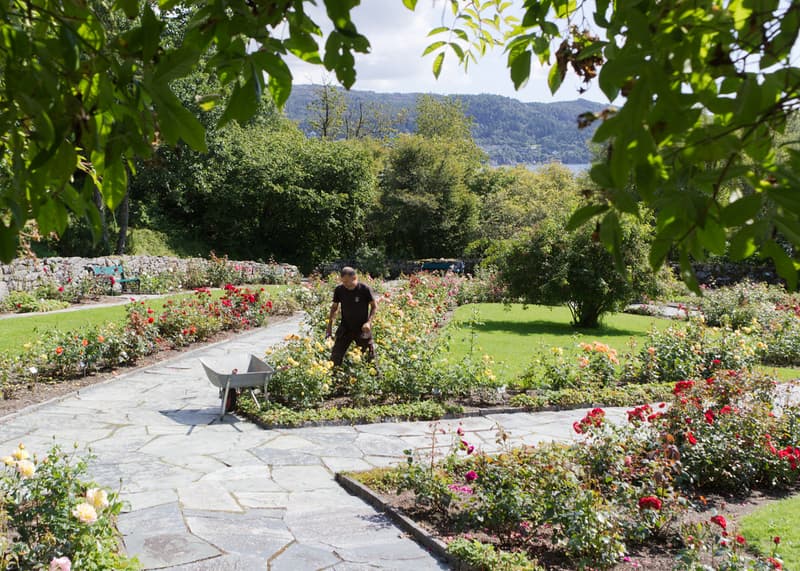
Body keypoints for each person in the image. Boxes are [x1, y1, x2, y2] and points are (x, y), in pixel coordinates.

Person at [326, 267, 377, 366]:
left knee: (369, 358)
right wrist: (329, 326)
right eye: (343, 282)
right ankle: (335, 375)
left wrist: (369, 322)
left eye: (347, 282)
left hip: (362, 328)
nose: (345, 284)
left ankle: (376, 375)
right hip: (345, 327)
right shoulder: (339, 290)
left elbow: (374, 306)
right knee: (335, 357)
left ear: (354, 278)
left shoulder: (364, 289)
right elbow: (334, 308)